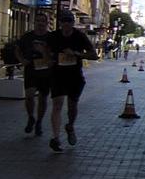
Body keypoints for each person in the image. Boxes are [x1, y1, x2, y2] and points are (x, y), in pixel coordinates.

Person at [46, 10, 95, 153]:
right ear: (60, 23)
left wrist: (76, 54)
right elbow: (46, 49)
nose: (66, 24)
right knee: (57, 104)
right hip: (58, 75)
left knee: (72, 106)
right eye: (63, 21)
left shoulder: (80, 37)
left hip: (74, 76)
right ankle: (55, 138)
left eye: (69, 22)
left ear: (73, 23)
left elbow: (93, 55)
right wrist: (48, 59)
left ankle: (70, 126)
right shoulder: (54, 36)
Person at [16, 9, 56, 137]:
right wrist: (22, 61)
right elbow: (17, 49)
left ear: (46, 23)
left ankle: (39, 122)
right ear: (34, 22)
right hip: (31, 69)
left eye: (43, 21)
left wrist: (46, 54)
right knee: (29, 95)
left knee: (43, 98)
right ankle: (30, 117)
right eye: (38, 21)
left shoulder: (50, 38)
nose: (40, 23)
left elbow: (54, 55)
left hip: (45, 71)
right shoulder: (28, 37)